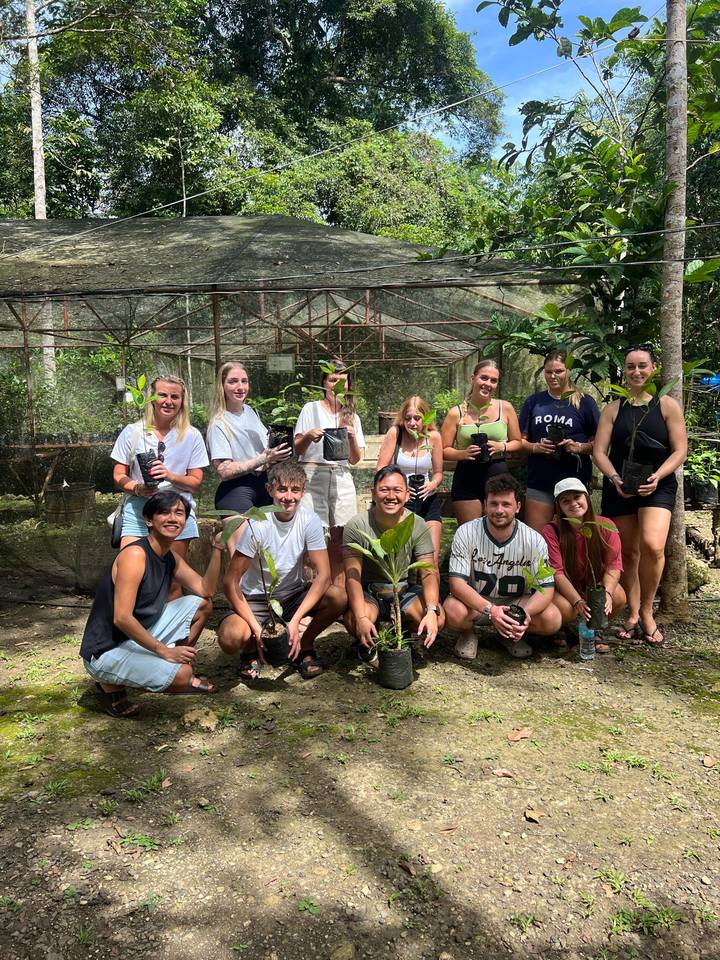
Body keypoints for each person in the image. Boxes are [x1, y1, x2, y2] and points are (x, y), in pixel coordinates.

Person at [80, 491, 222, 717]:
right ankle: (110, 683)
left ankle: (170, 661)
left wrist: (217, 549)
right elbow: (122, 617)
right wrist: (163, 650)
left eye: (179, 513)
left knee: (201, 604)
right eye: (164, 513)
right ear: (149, 520)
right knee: (184, 675)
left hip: (137, 636)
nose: (173, 518)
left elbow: (206, 590)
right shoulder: (135, 555)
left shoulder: (169, 556)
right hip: (106, 650)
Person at [593, 344, 688, 646]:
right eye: (631, 366)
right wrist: (614, 477)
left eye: (642, 366)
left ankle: (648, 610)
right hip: (620, 485)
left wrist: (658, 476)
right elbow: (599, 451)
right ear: (625, 371)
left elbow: (681, 450)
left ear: (654, 369)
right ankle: (633, 614)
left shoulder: (666, 405)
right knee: (628, 553)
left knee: (652, 545)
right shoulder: (613, 408)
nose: (636, 372)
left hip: (657, 485)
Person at [218, 461, 347, 681]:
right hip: (255, 598)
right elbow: (230, 582)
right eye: (282, 489)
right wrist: (256, 630)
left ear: (303, 491)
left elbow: (324, 575)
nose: (289, 497)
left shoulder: (310, 520)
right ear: (270, 490)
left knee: (338, 596)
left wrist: (296, 621)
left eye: (295, 490)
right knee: (230, 638)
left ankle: (304, 646)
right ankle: (250, 650)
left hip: (292, 594)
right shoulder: (257, 524)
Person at [444, 473, 561, 660]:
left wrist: (525, 614)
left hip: (516, 603)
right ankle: (468, 633)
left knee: (552, 619)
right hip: (479, 602)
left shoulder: (534, 539)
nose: (499, 510)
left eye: (506, 504)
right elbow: (457, 584)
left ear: (518, 507)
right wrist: (492, 610)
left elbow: (546, 587)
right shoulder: (466, 532)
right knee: (452, 611)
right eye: (494, 503)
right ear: (484, 505)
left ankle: (509, 634)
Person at [342, 465, 442, 656]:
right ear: (373, 493)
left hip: (404, 590)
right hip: (371, 591)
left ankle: (406, 637)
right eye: (384, 490)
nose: (391, 496)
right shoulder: (357, 525)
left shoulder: (417, 523)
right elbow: (352, 575)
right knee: (355, 620)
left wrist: (431, 610)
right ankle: (370, 639)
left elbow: (428, 571)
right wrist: (362, 617)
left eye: (397, 490)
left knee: (439, 617)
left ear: (406, 495)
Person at [111, 374, 208, 570]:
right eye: (162, 395)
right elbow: (118, 475)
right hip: (139, 510)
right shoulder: (133, 431)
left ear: (182, 401)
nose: (169, 401)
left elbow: (196, 483)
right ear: (151, 398)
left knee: (170, 576)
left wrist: (169, 475)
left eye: (175, 397)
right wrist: (137, 488)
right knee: (129, 571)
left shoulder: (192, 435)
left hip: (176, 511)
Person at [206, 361, 292, 551]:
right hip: (236, 490)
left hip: (264, 485)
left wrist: (278, 452)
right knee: (243, 555)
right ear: (222, 385)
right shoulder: (219, 423)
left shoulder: (251, 412)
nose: (240, 387)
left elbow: (264, 452)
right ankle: (224, 540)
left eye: (244, 381)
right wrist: (262, 459)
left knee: (271, 550)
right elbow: (224, 470)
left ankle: (222, 539)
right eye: (233, 381)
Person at [294, 360, 365, 582]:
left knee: (340, 537)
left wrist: (352, 437)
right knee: (311, 536)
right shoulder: (311, 409)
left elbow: (354, 459)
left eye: (342, 381)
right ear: (324, 383)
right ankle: (310, 593)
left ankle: (338, 592)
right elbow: (296, 448)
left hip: (341, 477)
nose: (336, 386)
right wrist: (308, 436)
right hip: (312, 476)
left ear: (349, 385)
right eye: (332, 380)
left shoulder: (352, 416)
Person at [519, 349, 600, 531]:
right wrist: (535, 447)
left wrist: (577, 447)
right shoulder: (534, 402)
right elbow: (519, 440)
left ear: (568, 371)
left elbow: (600, 445)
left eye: (559, 371)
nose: (553, 376)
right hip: (540, 480)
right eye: (548, 372)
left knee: (577, 538)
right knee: (537, 539)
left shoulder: (585, 403)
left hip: (574, 482)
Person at [541, 478, 625, 654]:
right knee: (565, 608)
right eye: (566, 501)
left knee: (618, 596)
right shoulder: (552, 530)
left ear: (586, 497)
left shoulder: (606, 526)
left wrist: (607, 593)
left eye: (577, 497)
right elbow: (556, 572)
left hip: (592, 587)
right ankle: (562, 628)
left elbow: (613, 566)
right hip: (564, 590)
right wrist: (577, 601)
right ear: (559, 507)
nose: (573, 503)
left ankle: (595, 629)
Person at [440, 359, 522, 525]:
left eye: (493, 380)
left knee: (500, 531)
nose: (488, 384)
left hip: (498, 474)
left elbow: (518, 442)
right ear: (473, 378)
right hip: (467, 475)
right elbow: (443, 449)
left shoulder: (505, 408)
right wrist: (462, 453)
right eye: (483, 378)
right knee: (470, 534)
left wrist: (502, 446)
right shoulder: (456, 413)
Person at [376, 395, 444, 564]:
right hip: (401, 501)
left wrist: (432, 484)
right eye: (408, 418)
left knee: (430, 558)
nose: (412, 423)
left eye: (417, 418)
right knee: (401, 556)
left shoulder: (433, 437)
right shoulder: (395, 433)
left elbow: (438, 473)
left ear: (425, 418)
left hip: (427, 499)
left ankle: (430, 590)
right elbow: (380, 469)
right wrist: (399, 487)